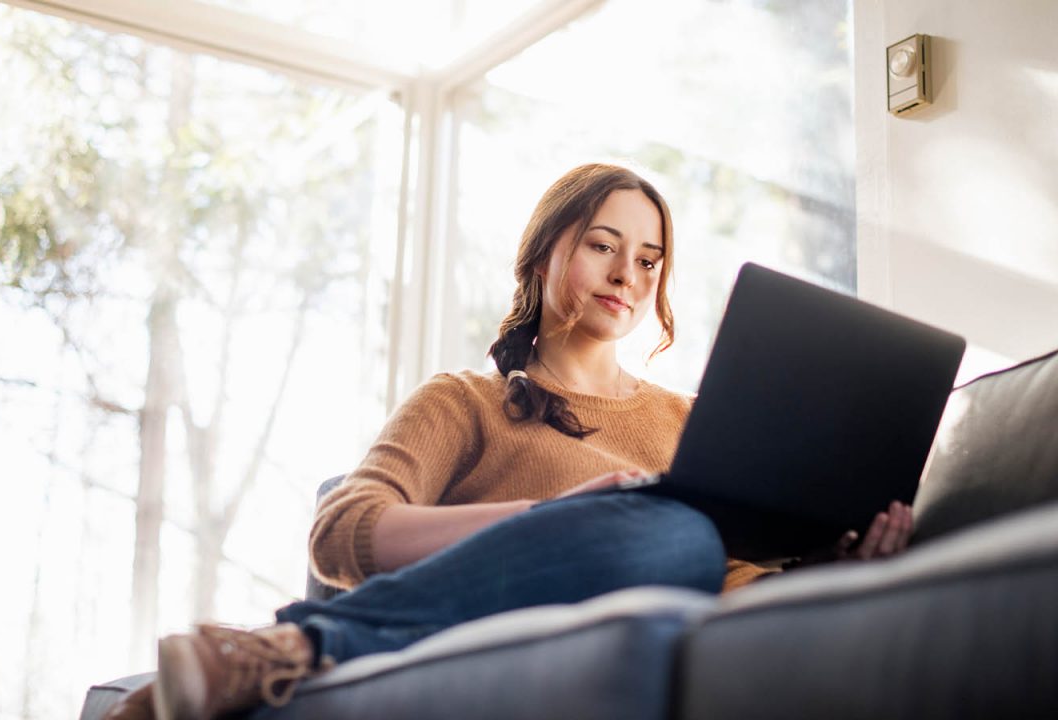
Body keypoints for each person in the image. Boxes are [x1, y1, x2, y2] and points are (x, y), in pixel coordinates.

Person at [106, 163, 913, 720]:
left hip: (651, 622)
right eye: (602, 244)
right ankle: (288, 650)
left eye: (650, 258)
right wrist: (547, 515)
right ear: (544, 252)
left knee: (684, 544)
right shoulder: (466, 401)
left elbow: (725, 591)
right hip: (487, 629)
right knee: (671, 532)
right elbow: (340, 533)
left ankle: (280, 653)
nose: (628, 273)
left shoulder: (692, 422)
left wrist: (832, 577)